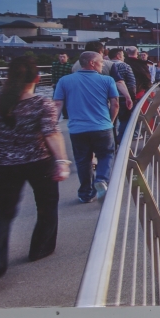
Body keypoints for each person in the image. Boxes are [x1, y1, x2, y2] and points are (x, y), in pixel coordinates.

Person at [0, 57, 70, 290]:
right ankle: (40, 249)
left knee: (1, 213)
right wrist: (62, 162)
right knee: (46, 206)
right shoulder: (41, 104)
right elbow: (51, 134)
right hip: (39, 162)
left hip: (1, 164)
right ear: (37, 78)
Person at [53, 51, 119, 204]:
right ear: (92, 63)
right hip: (102, 126)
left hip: (78, 129)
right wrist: (110, 121)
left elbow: (57, 104)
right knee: (106, 155)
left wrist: (52, 126)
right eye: (101, 62)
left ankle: (86, 193)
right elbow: (115, 103)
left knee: (83, 161)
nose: (102, 65)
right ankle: (101, 179)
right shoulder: (107, 80)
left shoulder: (64, 81)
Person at [108, 48, 136, 143]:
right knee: (125, 120)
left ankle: (112, 141)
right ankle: (121, 140)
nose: (124, 57)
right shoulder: (125, 66)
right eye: (123, 55)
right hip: (123, 97)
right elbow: (131, 83)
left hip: (109, 98)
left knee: (111, 121)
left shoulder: (105, 66)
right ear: (118, 56)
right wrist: (132, 97)